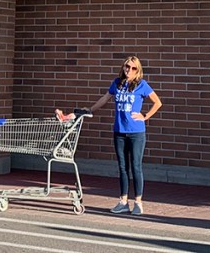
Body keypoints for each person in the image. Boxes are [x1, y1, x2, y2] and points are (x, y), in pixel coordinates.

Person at [62, 55, 162, 216]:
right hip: (119, 132)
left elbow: (157, 102)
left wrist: (145, 116)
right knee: (123, 167)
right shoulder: (117, 83)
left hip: (136, 132)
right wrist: (90, 110)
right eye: (127, 67)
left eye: (133, 68)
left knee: (136, 167)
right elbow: (105, 98)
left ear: (138, 70)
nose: (129, 70)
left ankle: (138, 202)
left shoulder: (142, 85)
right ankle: (123, 201)